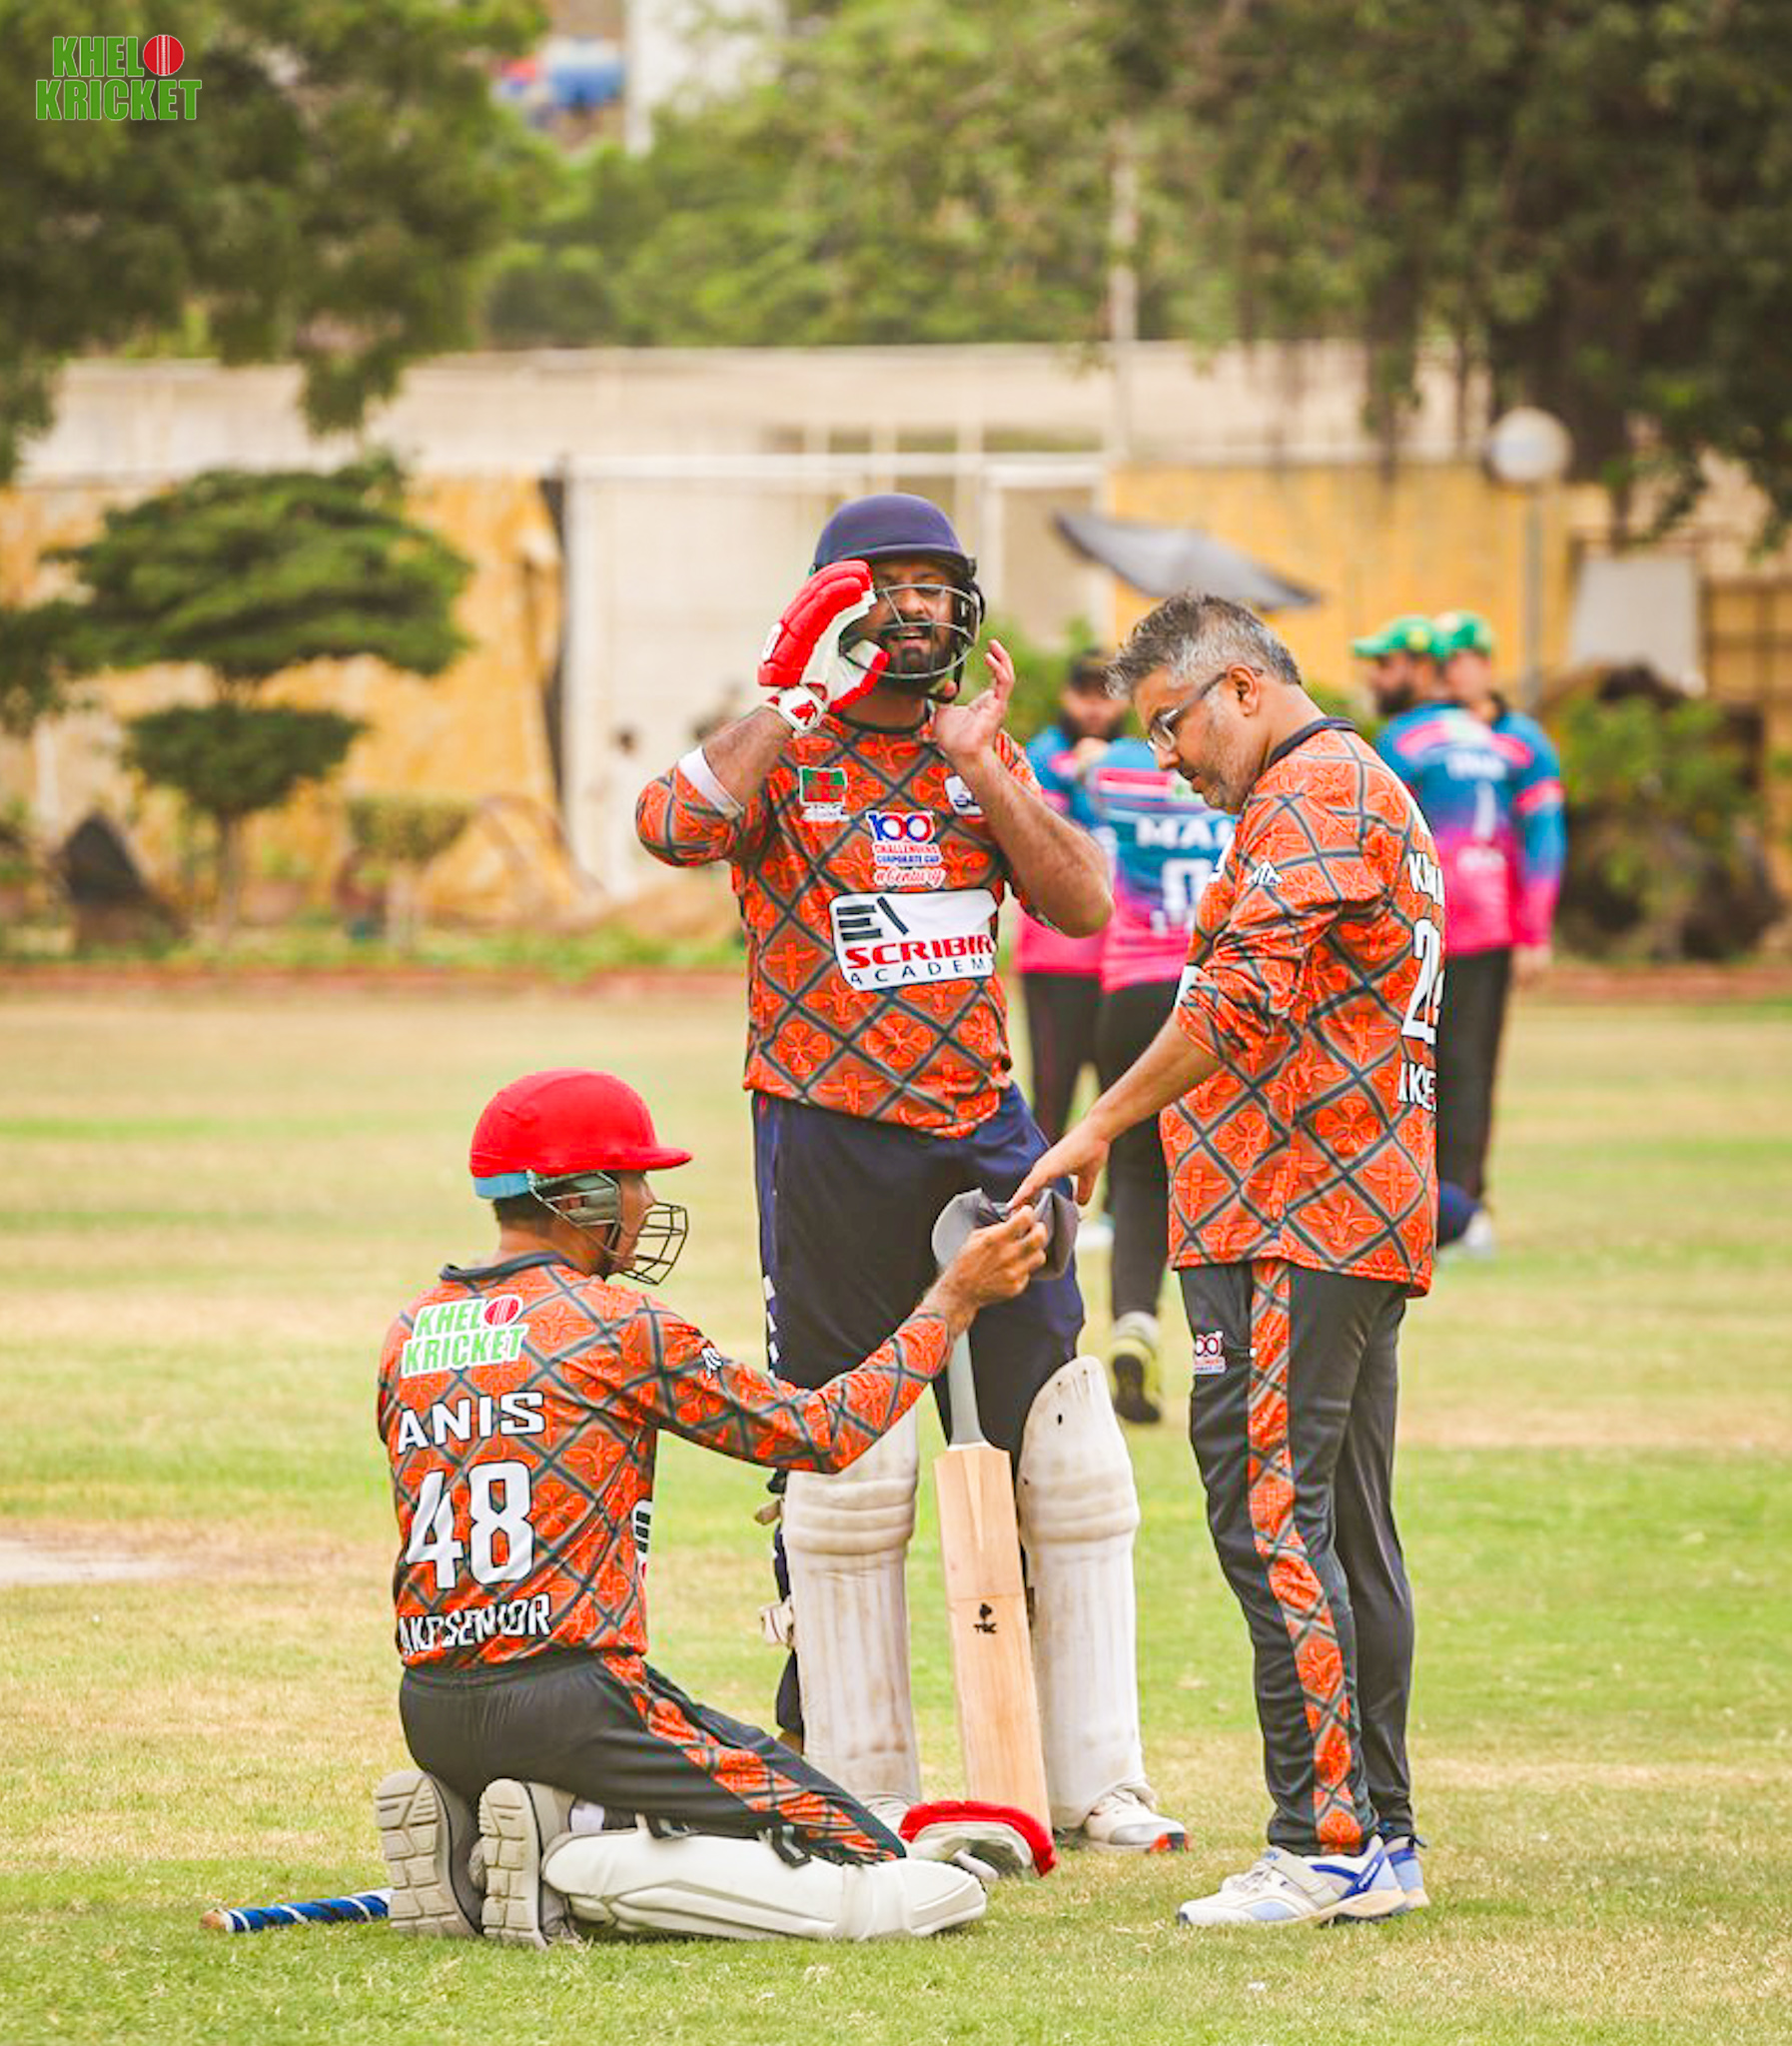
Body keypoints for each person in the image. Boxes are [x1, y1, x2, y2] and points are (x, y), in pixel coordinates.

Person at [634, 492, 1185, 1855]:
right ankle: (859, 1775)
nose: (918, 607)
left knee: (1062, 1446)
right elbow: (668, 826)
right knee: (848, 1461)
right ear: (830, 603)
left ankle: (1096, 1779)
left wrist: (984, 767)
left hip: (983, 1133)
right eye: (889, 584)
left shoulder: (976, 757)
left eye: (938, 586)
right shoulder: (789, 749)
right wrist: (784, 688)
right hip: (827, 1142)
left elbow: (1080, 906)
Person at [375, 1066, 1051, 1947]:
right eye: (635, 1180)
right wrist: (951, 1302)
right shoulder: (616, 1325)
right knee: (861, 1849)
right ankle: (561, 1866)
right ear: (579, 1196)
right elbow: (822, 1432)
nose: (649, 1202)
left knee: (684, 1788)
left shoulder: (409, 1332)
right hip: (572, 1700)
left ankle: (486, 1834)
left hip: (430, 1707)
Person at [1017, 593, 1437, 1928]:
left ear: (1243, 688)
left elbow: (1237, 1001)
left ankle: (1322, 1843)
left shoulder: (1313, 792)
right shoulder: (1336, 788)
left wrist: (1095, 1122)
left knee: (1272, 1520)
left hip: (1291, 1217)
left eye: (1172, 724)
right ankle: (1379, 1839)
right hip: (1338, 1214)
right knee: (1342, 1527)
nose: (1167, 759)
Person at [1356, 611, 1557, 1251]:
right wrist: (1532, 929)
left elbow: (1375, 833)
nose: (1375, 677)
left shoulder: (1406, 739)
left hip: (1429, 927)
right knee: (1463, 1069)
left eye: (1386, 665)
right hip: (1477, 927)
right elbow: (1541, 839)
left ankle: (1442, 1208)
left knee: (1421, 1068)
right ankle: (1461, 1207)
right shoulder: (1493, 740)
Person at [1079, 729, 1235, 1421]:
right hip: (1214, 990)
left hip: (1132, 990)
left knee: (1138, 1173)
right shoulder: (1231, 771)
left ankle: (1133, 1322)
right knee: (1222, 1172)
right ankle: (1220, 1344)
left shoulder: (1113, 770)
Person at [1016, 652, 1128, 1166]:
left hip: (1121, 961)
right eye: (1085, 694)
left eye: (1106, 695)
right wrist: (1090, 775)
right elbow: (1048, 844)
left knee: (1122, 1101)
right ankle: (1039, 1199)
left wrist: (1106, 769)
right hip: (1056, 958)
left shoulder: (1134, 759)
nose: (1095, 708)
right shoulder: (1041, 757)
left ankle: (1113, 1203)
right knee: (1052, 1098)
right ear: (1066, 696)